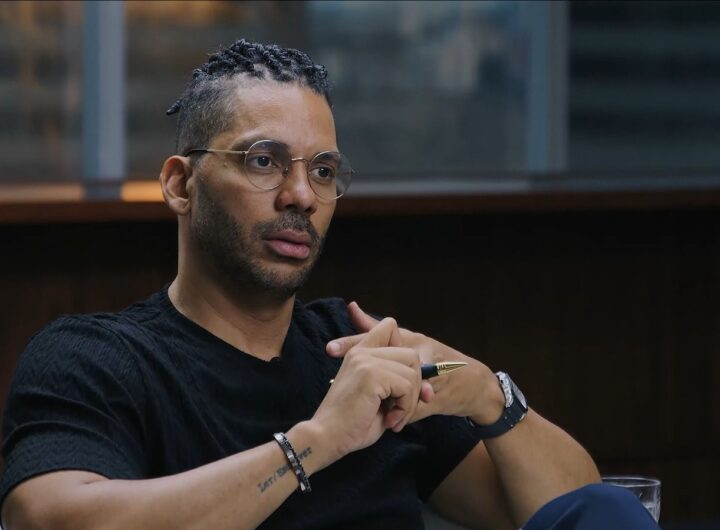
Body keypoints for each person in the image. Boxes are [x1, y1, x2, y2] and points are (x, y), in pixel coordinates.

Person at [0, 39, 659, 530]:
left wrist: (488, 394)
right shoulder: (97, 359)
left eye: (322, 171)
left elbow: (576, 515)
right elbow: (50, 522)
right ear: (180, 183)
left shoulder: (354, 353)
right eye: (264, 161)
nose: (301, 195)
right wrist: (316, 442)